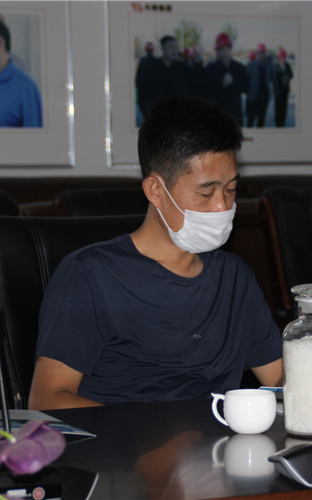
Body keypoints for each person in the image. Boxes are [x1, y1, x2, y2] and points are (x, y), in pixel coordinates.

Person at [29, 97, 283, 410]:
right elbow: (47, 399)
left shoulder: (234, 277)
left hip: (220, 437)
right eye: (206, 192)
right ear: (156, 191)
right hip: (120, 438)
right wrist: (144, 434)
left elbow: (279, 377)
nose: (222, 206)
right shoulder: (91, 275)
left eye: (230, 190)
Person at [135, 35, 189, 120]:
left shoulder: (182, 68)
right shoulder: (152, 68)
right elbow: (142, 91)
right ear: (163, 49)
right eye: (171, 47)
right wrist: (146, 112)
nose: (174, 51)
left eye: (176, 47)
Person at [204, 33, 249, 127]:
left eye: (224, 49)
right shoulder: (211, 68)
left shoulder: (240, 68)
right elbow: (207, 91)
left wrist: (233, 82)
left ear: (230, 49)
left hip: (235, 115)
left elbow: (246, 88)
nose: (222, 53)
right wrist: (221, 84)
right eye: (219, 50)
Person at [245, 43, 275, 128]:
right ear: (256, 53)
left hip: (264, 96)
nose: (261, 55)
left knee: (261, 119)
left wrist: (276, 92)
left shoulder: (269, 65)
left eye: (263, 53)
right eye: (259, 53)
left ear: (265, 53)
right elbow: (245, 80)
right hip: (253, 96)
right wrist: (247, 92)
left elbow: (274, 79)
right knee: (251, 119)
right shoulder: (251, 65)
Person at [273, 48, 293, 128]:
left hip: (285, 90)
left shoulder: (287, 65)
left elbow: (291, 74)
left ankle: (282, 122)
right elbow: (274, 77)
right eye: (281, 58)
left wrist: (287, 77)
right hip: (277, 90)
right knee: (278, 107)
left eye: (283, 58)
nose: (282, 60)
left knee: (284, 107)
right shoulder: (275, 66)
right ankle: (278, 123)